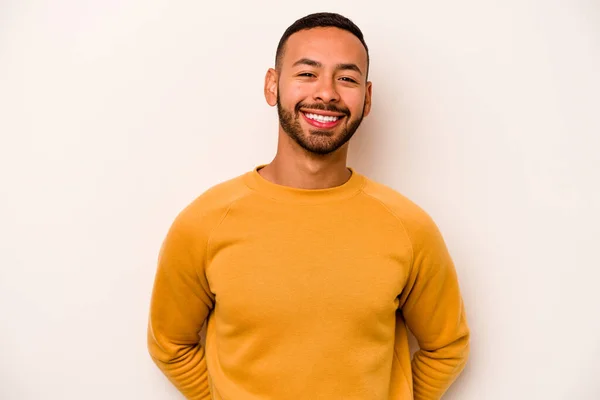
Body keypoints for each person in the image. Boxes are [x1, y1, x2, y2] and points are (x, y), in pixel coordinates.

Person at [147, 12, 470, 400]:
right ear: (272, 86)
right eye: (307, 73)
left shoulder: (408, 227)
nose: (327, 93)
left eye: (347, 78)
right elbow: (170, 344)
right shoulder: (205, 223)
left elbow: (447, 347)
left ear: (366, 99)